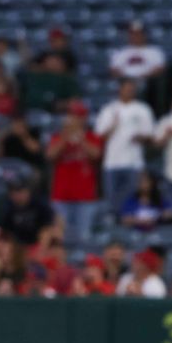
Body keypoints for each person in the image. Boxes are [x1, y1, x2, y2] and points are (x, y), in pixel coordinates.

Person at [46, 101, 103, 245]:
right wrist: (66, 137)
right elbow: (50, 155)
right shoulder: (58, 137)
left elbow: (96, 155)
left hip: (85, 195)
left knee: (84, 239)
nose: (73, 119)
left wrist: (80, 138)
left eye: (77, 116)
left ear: (84, 118)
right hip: (61, 195)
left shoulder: (91, 136)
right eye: (71, 115)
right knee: (60, 239)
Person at [94, 79, 155, 213]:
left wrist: (140, 137)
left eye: (132, 89)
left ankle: (131, 231)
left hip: (134, 162)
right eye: (126, 88)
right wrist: (113, 126)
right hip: (111, 163)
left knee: (132, 201)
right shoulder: (109, 109)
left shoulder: (142, 109)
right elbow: (99, 136)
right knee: (111, 201)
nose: (129, 91)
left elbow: (150, 136)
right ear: (120, 89)